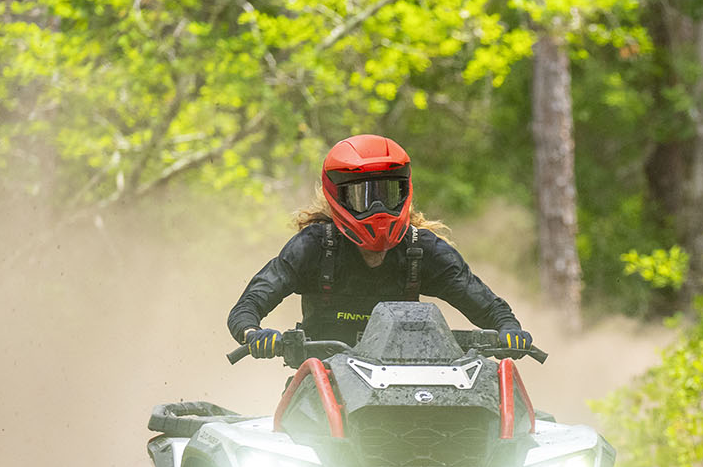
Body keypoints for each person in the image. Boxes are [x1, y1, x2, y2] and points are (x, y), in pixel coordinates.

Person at [228, 135, 534, 357]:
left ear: (405, 192)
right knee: (292, 438)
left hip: (409, 388)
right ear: (337, 197)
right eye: (363, 197)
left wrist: (509, 331)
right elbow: (246, 307)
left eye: (387, 195)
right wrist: (254, 334)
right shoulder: (313, 247)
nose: (377, 209)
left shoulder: (422, 249)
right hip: (320, 384)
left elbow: (491, 309)